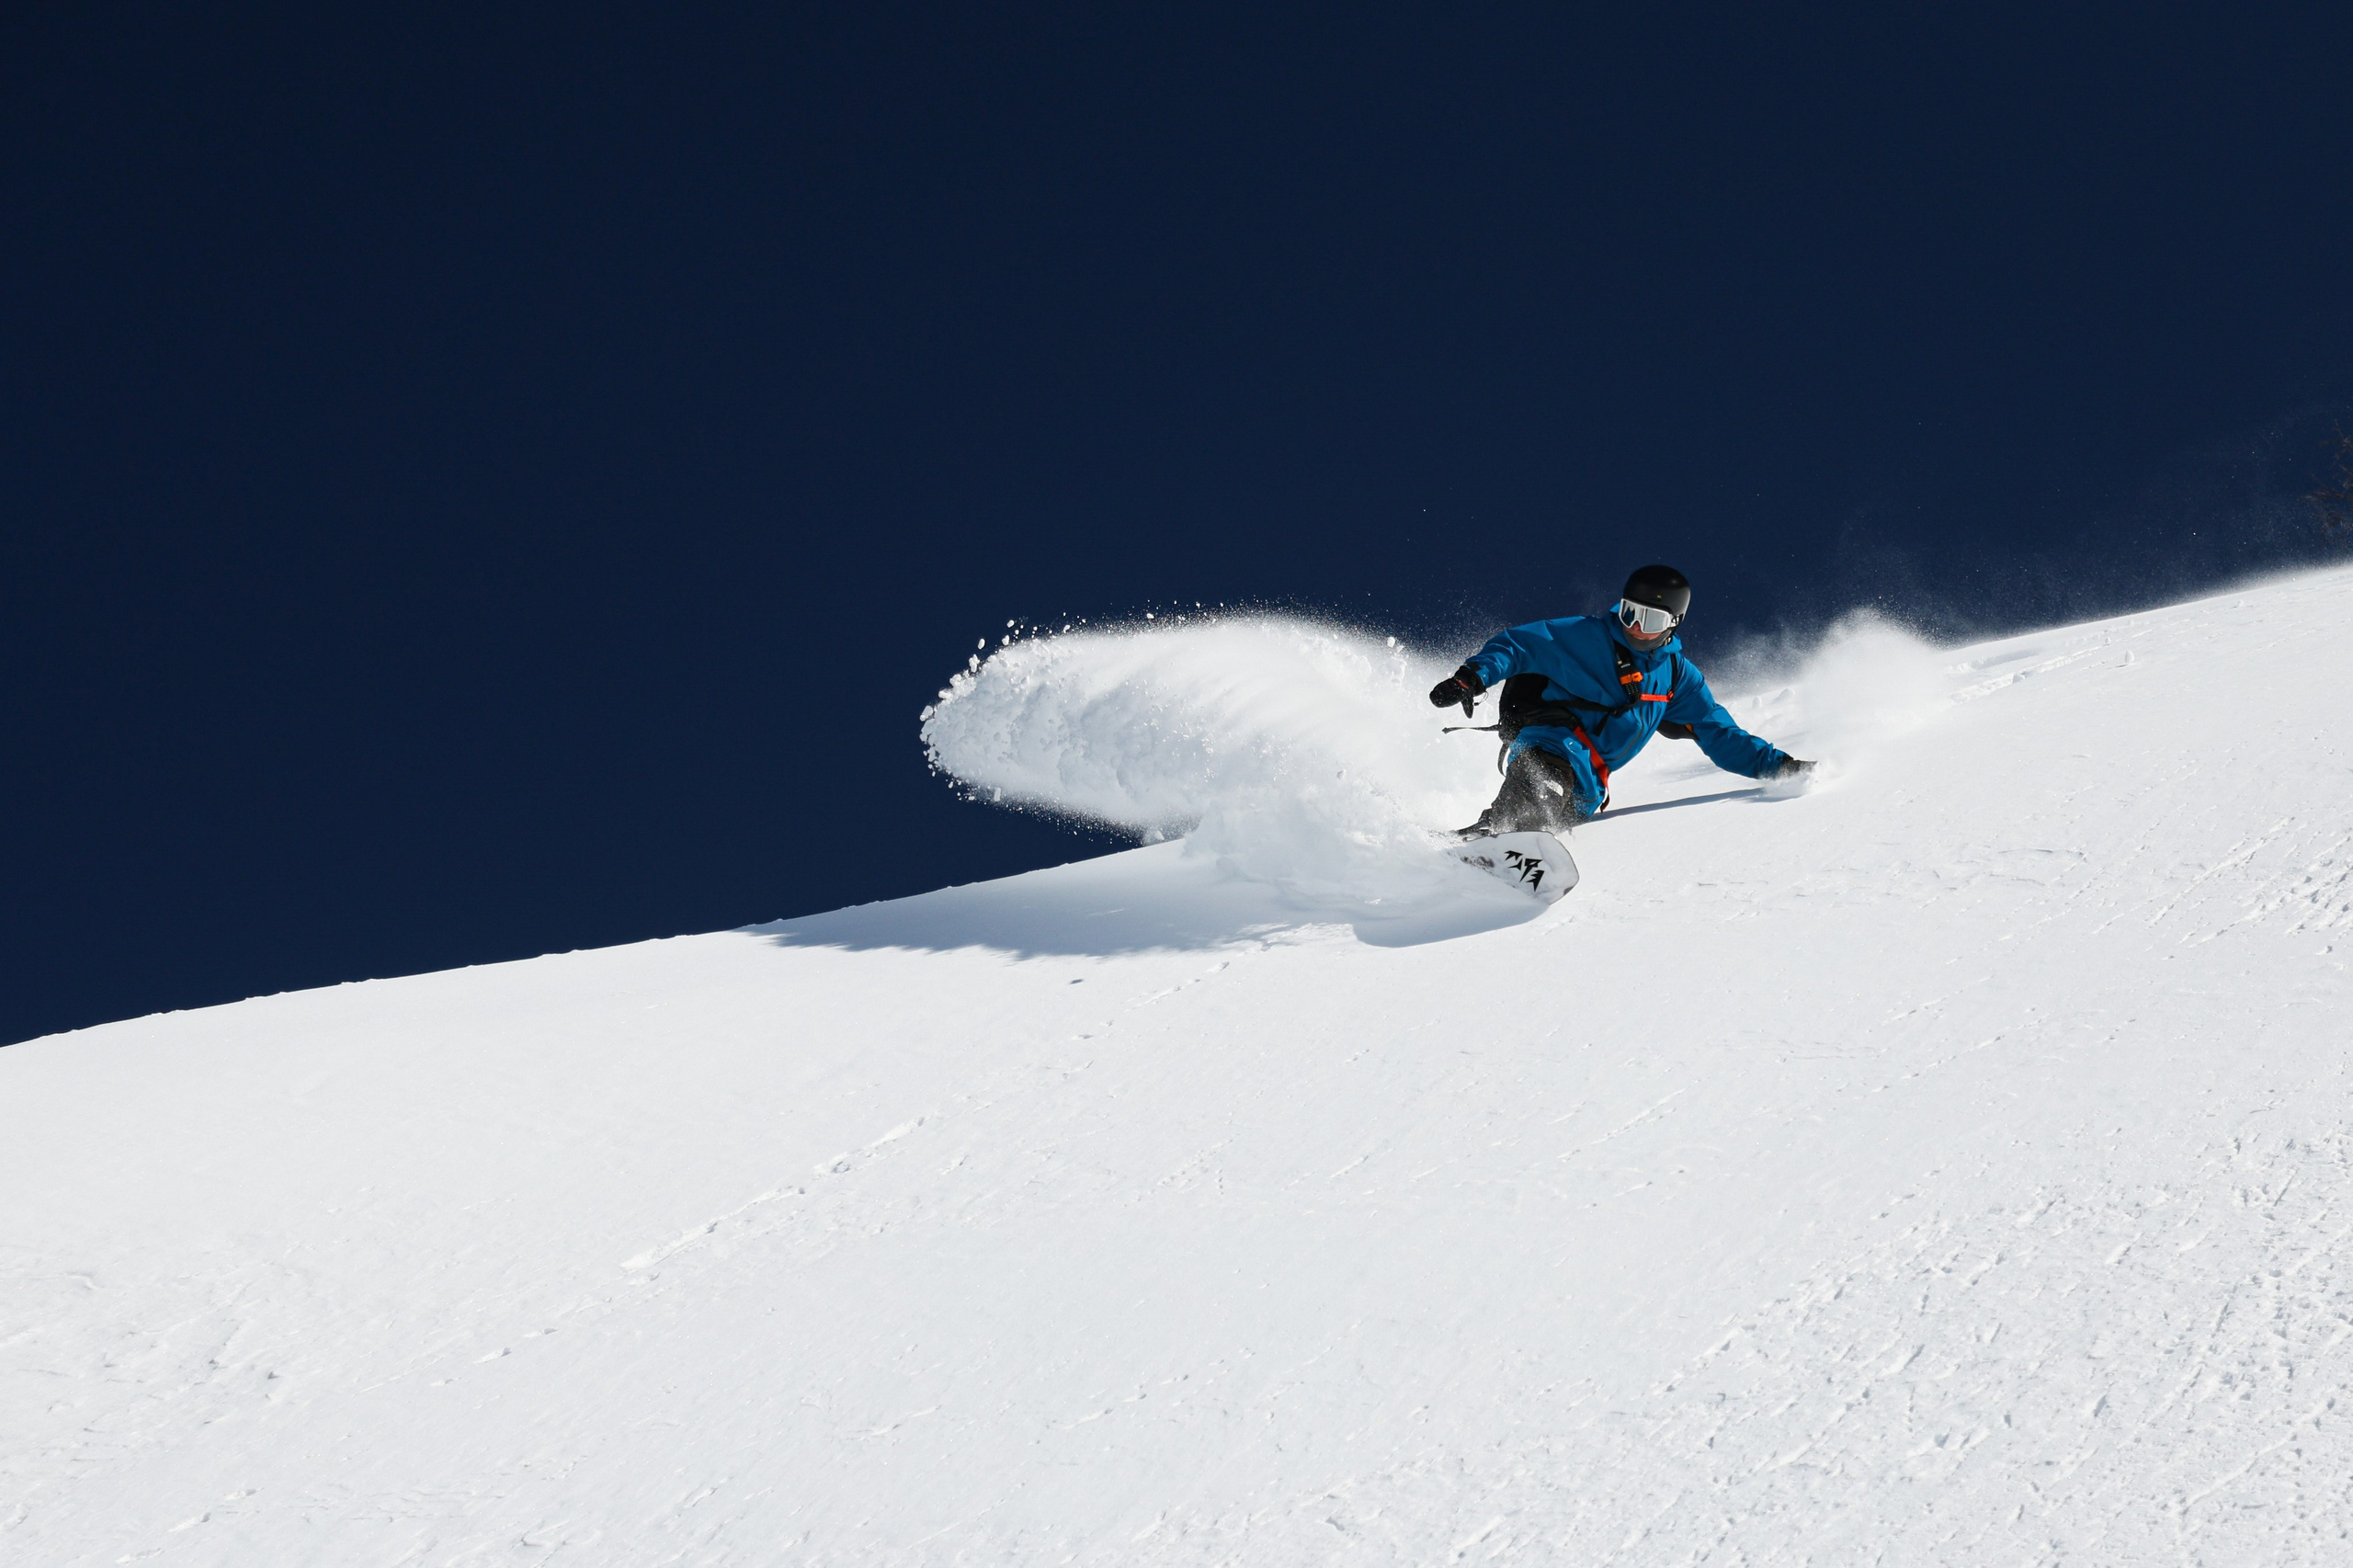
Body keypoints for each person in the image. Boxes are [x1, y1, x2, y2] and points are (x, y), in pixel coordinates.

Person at [1428, 564, 1814, 838]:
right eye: (1630, 612)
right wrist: (1471, 678)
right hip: (1548, 742)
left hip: (1589, 785)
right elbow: (1518, 645)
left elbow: (1720, 733)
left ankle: (1509, 846)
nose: (1633, 626)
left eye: (1649, 620)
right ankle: (1498, 833)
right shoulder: (1586, 636)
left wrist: (1781, 766)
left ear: (1673, 625)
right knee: (1542, 780)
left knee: (1557, 809)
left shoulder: (1677, 678)